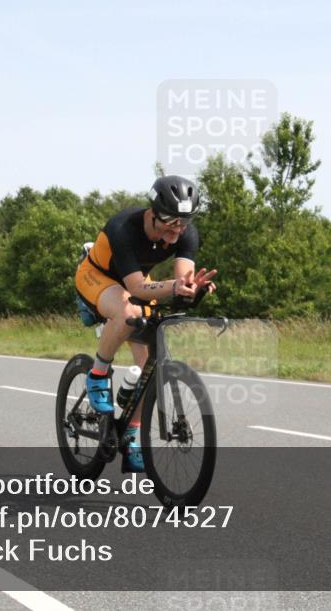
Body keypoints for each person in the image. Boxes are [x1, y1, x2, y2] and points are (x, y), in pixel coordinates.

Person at [74, 175, 217, 471]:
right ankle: (98, 373)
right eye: (170, 220)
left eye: (184, 221)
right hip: (98, 275)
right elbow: (137, 289)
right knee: (129, 313)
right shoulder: (124, 227)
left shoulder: (185, 234)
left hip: (135, 281)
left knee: (149, 366)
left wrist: (192, 288)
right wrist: (175, 287)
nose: (177, 228)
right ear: (153, 212)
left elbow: (181, 280)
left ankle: (130, 432)